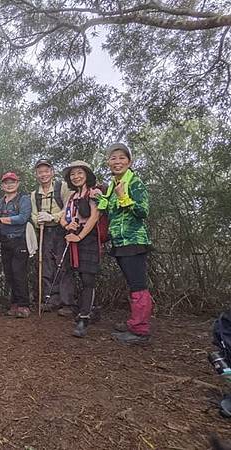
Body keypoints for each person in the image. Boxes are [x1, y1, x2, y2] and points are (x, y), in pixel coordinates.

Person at [98, 143, 153, 344]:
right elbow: (107, 209)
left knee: (138, 285)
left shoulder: (135, 183)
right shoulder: (113, 184)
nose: (117, 162)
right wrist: (100, 197)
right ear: (108, 162)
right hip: (120, 242)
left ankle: (140, 330)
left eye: (122, 158)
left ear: (129, 162)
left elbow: (143, 211)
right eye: (113, 158)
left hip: (134, 241)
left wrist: (125, 198)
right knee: (132, 284)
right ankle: (135, 322)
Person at [60, 161, 101, 338]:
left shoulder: (94, 193)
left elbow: (94, 217)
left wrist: (80, 236)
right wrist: (68, 226)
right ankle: (88, 309)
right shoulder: (71, 197)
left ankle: (84, 317)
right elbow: (62, 217)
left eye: (79, 173)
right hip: (74, 237)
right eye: (72, 174)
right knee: (77, 274)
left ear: (86, 174)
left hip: (88, 238)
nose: (76, 177)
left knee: (87, 277)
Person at [30, 159, 74, 316]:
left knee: (63, 265)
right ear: (36, 174)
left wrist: (52, 216)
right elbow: (33, 214)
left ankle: (67, 302)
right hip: (44, 231)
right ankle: (50, 300)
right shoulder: (34, 194)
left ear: (52, 171)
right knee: (46, 265)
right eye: (40, 172)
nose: (43, 174)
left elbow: (69, 207)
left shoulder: (62, 187)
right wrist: (38, 220)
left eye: (46, 171)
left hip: (61, 229)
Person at [0, 172, 32, 318]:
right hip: (4, 241)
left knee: (19, 272)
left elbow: (23, 218)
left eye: (12, 182)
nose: (9, 185)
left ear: (17, 183)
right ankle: (14, 304)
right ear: (2, 186)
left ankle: (24, 305)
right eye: (6, 182)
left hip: (20, 239)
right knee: (9, 273)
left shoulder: (24, 199)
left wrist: (1, 221)